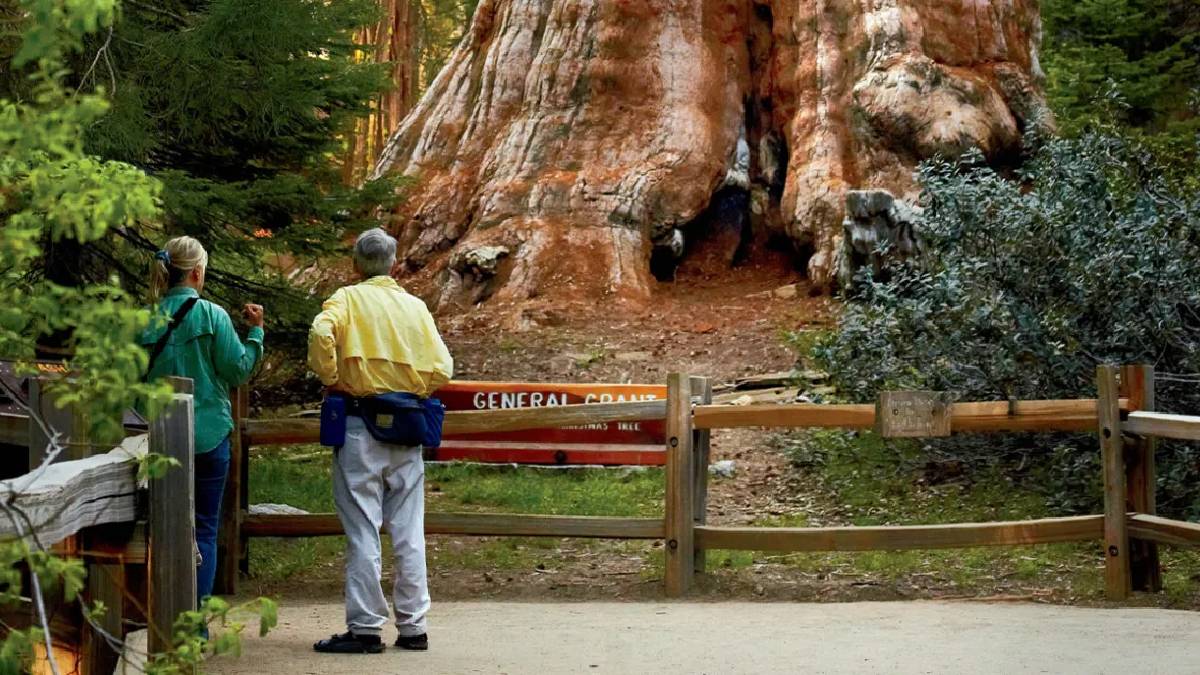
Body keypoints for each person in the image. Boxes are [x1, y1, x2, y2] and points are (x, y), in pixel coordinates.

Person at [308, 228, 453, 655]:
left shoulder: (346, 300)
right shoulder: (416, 308)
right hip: (408, 426)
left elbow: (321, 334)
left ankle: (366, 627)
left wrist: (333, 378)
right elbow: (443, 367)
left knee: (363, 528)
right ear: (394, 263)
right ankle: (413, 627)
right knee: (409, 529)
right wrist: (416, 389)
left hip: (358, 424)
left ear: (356, 264)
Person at [141, 236, 264, 603]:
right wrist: (256, 332)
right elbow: (239, 369)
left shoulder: (144, 321)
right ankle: (194, 627)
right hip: (209, 438)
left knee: (162, 529)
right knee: (205, 530)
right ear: (197, 272)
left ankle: (163, 616)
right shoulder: (213, 316)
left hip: (158, 440)